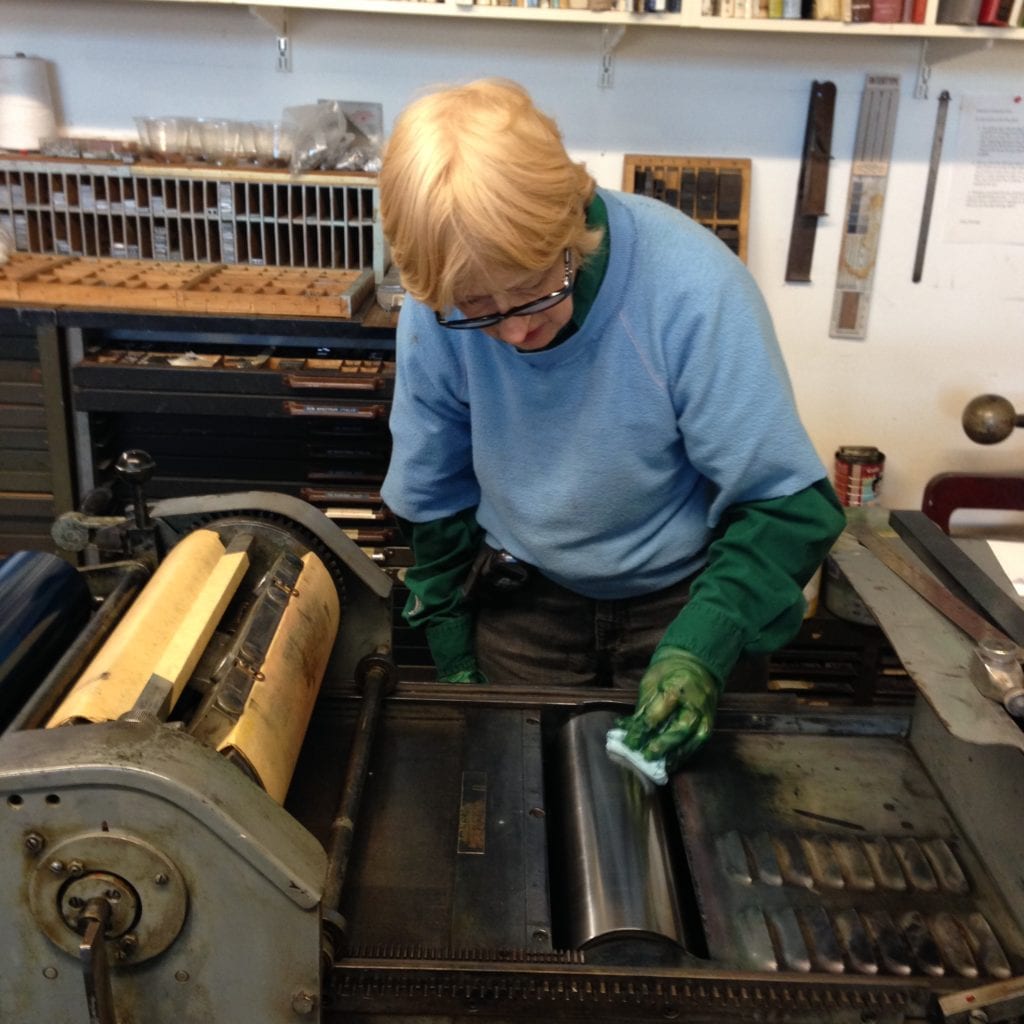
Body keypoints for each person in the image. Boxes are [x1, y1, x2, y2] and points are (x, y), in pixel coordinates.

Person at [379, 78, 845, 782]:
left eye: (537, 287)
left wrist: (703, 647)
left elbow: (787, 504)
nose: (515, 329)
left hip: (686, 604)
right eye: (480, 309)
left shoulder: (691, 290)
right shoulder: (439, 309)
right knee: (511, 809)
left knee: (703, 826)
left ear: (572, 220)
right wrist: (454, 653)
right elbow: (434, 497)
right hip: (522, 603)